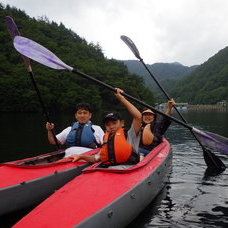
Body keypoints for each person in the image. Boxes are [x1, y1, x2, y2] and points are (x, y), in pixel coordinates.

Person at [68, 88, 142, 165]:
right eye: (108, 124)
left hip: (128, 170)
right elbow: (95, 158)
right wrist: (81, 157)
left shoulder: (130, 135)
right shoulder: (107, 140)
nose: (111, 127)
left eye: (114, 123)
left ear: (122, 123)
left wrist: (122, 99)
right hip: (109, 171)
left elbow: (138, 117)